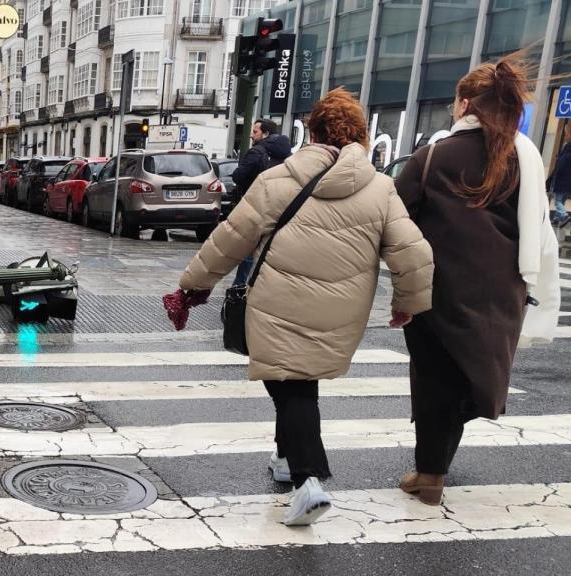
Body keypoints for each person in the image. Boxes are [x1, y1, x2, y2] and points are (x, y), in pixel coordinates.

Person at [176, 89, 434, 526]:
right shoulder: (380, 188)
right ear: (360, 136)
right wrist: (407, 304)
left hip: (278, 303)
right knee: (298, 378)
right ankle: (283, 457)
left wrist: (191, 286)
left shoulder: (278, 180)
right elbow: (413, 254)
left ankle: (308, 481)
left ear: (312, 132)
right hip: (341, 309)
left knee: (291, 385)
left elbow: (229, 240)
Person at [394, 53, 560, 506]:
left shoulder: (432, 158)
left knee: (434, 383)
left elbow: (392, 221)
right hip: (502, 294)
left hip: (437, 294)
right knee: (473, 378)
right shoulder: (522, 160)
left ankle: (430, 473)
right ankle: (434, 468)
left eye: (455, 100)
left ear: (467, 103)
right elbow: (539, 230)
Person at [229, 119, 293, 286]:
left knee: (249, 250)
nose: (251, 135)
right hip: (281, 207)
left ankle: (240, 287)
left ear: (266, 134)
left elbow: (238, 176)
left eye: (255, 131)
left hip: (257, 205)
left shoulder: (257, 152)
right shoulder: (288, 155)